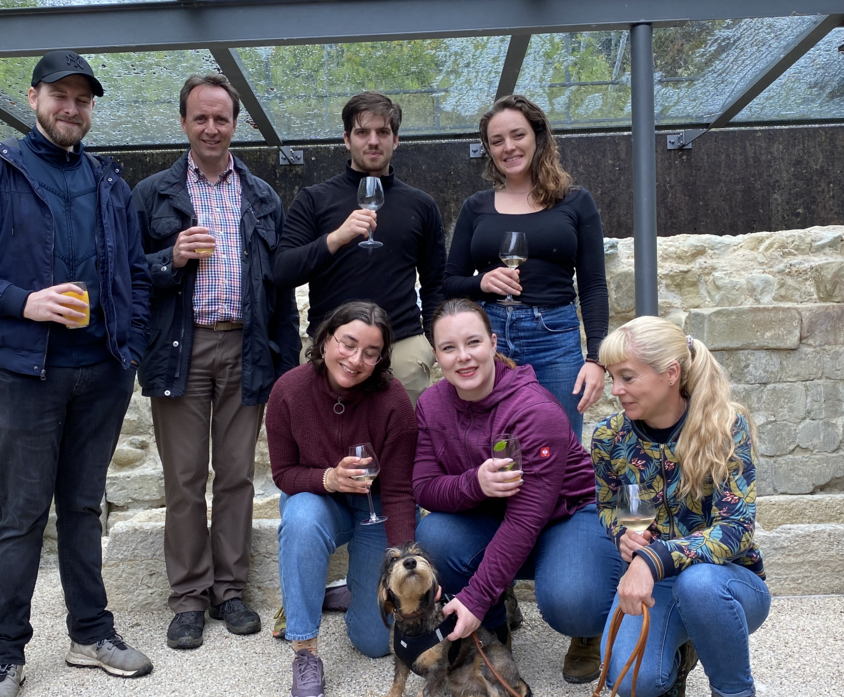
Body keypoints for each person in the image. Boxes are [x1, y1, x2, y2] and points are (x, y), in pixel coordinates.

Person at [0, 50, 154, 697]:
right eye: (61, 95)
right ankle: (5, 654)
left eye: (83, 99)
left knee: (84, 508)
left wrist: (131, 346)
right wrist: (22, 301)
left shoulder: (108, 181)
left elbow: (136, 273)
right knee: (22, 516)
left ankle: (89, 633)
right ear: (32, 99)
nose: (72, 108)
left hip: (103, 370)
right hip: (27, 372)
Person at [131, 74, 300, 651]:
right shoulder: (152, 194)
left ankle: (230, 589)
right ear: (183, 122)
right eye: (200, 117)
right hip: (180, 346)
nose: (211, 127)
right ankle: (187, 597)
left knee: (234, 478)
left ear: (236, 124)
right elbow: (128, 275)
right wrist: (169, 258)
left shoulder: (260, 195)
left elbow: (277, 287)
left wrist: (287, 364)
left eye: (221, 118)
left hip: (245, 346)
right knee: (183, 480)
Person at [592, 316, 768, 697]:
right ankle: (679, 655)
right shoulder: (610, 437)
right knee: (633, 682)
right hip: (658, 583)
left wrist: (655, 559)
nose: (616, 389)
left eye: (627, 377)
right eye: (611, 377)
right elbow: (610, 506)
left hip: (727, 583)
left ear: (671, 374)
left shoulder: (724, 426)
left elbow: (735, 530)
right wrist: (624, 538)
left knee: (699, 586)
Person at [412, 298, 623, 684]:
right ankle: (493, 629)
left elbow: (527, 518)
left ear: (494, 343)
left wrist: (473, 596)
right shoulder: (430, 405)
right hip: (495, 517)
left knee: (574, 601)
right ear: (436, 356)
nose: (463, 357)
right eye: (449, 348)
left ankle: (587, 629)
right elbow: (424, 488)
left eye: (473, 343)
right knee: (433, 536)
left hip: (566, 516)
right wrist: (473, 482)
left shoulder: (534, 410)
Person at [265, 301, 418, 697]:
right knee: (299, 517)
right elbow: (283, 474)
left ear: (382, 357)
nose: (356, 360)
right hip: (319, 502)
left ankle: (335, 590)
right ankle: (305, 653)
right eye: (347, 344)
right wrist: (327, 479)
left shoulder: (393, 400)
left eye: (371, 352)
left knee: (373, 644)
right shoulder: (288, 391)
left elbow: (402, 489)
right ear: (326, 339)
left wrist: (405, 559)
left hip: (376, 507)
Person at [442, 94, 608, 439]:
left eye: (518, 135)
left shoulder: (576, 201)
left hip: (555, 337)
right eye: (497, 140)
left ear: (538, 136)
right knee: (492, 442)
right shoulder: (476, 206)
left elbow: (593, 285)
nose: (509, 147)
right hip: (490, 337)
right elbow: (450, 282)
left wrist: (596, 359)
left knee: (559, 442)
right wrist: (482, 283)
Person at [274, 92, 446, 408]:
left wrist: (432, 345)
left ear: (395, 140)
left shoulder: (421, 205)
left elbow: (436, 283)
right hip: (331, 348)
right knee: (325, 451)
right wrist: (335, 238)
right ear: (346, 139)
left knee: (400, 450)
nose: (373, 141)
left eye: (382, 132)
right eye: (362, 132)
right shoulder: (314, 199)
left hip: (401, 349)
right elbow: (283, 270)